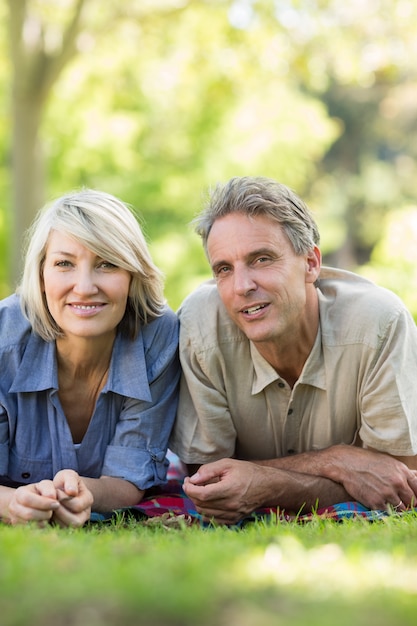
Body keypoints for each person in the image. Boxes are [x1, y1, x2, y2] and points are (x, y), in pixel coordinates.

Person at [169, 176, 417, 525]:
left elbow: (398, 482)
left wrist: (263, 482)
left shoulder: (379, 324)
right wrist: (334, 461)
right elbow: (208, 480)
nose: (242, 286)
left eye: (262, 259)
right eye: (224, 269)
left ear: (311, 264)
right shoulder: (199, 328)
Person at [0, 189, 180, 527]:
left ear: (132, 275)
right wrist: (14, 502)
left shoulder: (159, 337)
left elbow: (128, 480)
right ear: (40, 276)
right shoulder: (3, 339)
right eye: (64, 264)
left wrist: (84, 493)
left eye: (107, 264)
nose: (84, 287)